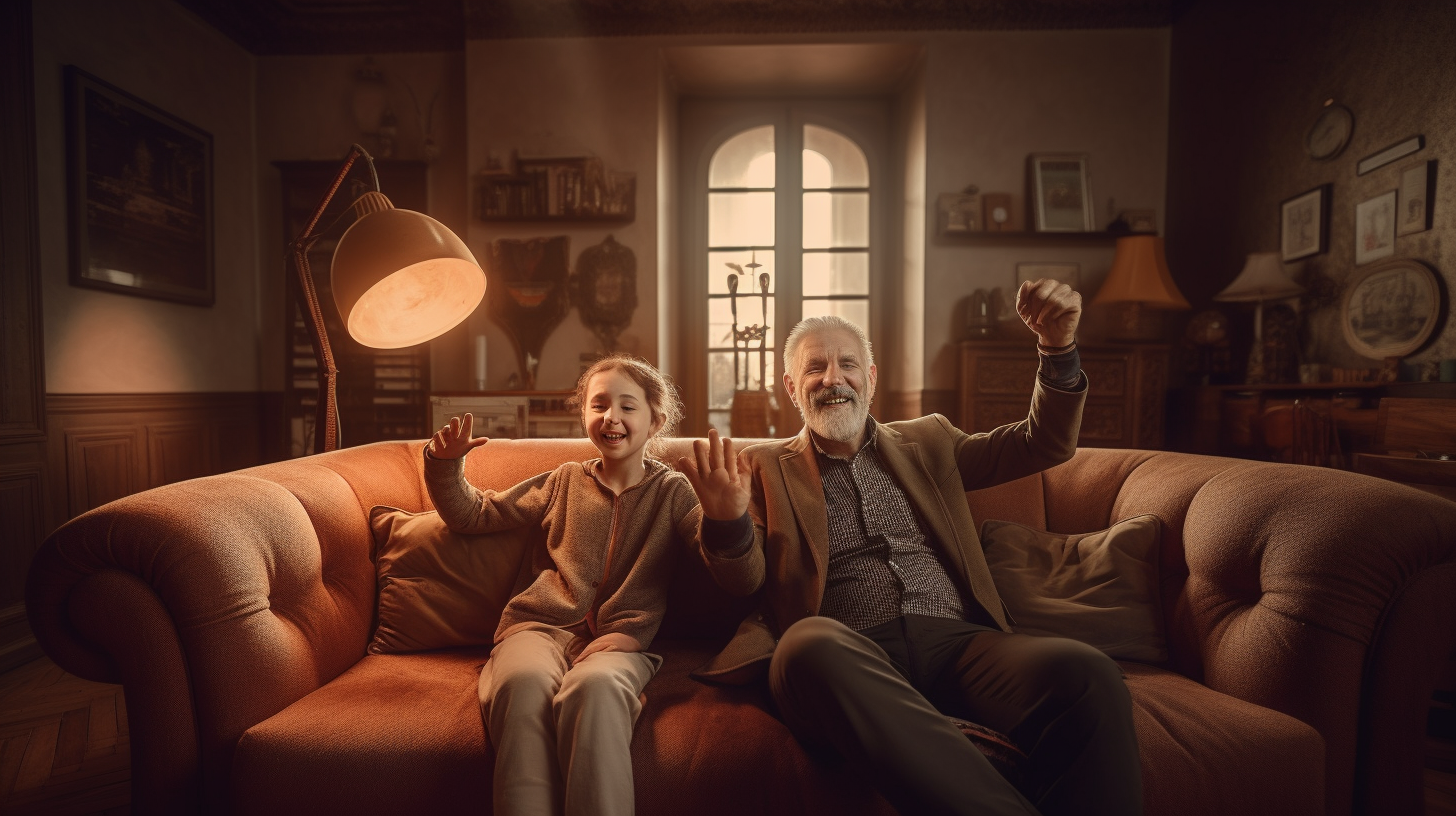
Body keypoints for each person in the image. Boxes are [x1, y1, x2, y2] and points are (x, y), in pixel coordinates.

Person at [678, 280, 1142, 816]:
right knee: (807, 643)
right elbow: (744, 580)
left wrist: (1057, 349)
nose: (834, 379)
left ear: (870, 377)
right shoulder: (761, 467)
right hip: (844, 659)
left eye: (848, 365)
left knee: (1088, 674)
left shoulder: (929, 440)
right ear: (790, 386)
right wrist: (725, 519)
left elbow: (1044, 444)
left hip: (959, 647)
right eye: (815, 369)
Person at [424, 354, 699, 816]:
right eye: (598, 404)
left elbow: (721, 558)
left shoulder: (674, 493)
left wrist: (728, 516)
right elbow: (475, 514)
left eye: (628, 407)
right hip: (538, 629)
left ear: (656, 420)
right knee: (525, 680)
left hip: (619, 645)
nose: (611, 417)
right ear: (585, 415)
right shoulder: (564, 481)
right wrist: (443, 464)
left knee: (593, 690)